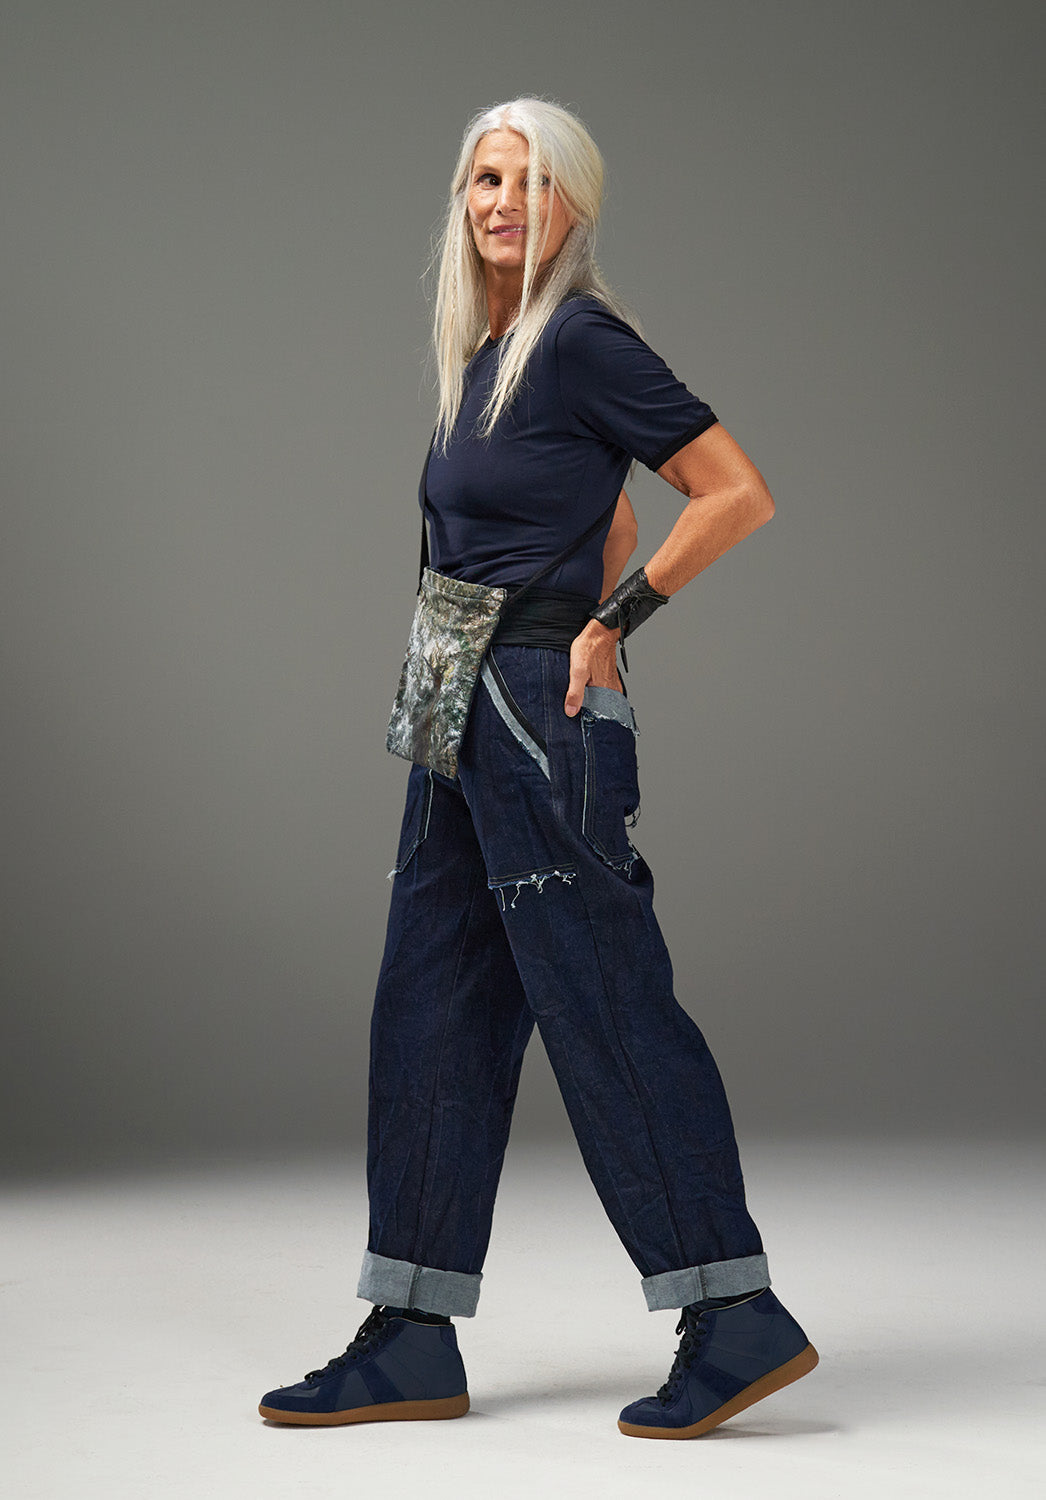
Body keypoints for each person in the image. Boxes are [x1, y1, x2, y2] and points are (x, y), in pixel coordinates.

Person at [259, 95, 818, 1440]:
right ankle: (410, 1331)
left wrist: (611, 628)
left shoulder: (578, 338)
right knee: (429, 1006)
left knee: (602, 1001)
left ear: (575, 202)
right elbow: (599, 506)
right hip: (450, 704)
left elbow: (731, 489)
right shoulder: (490, 354)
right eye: (484, 178)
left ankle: (732, 1309)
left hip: (526, 707)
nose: (503, 201)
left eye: (532, 180)